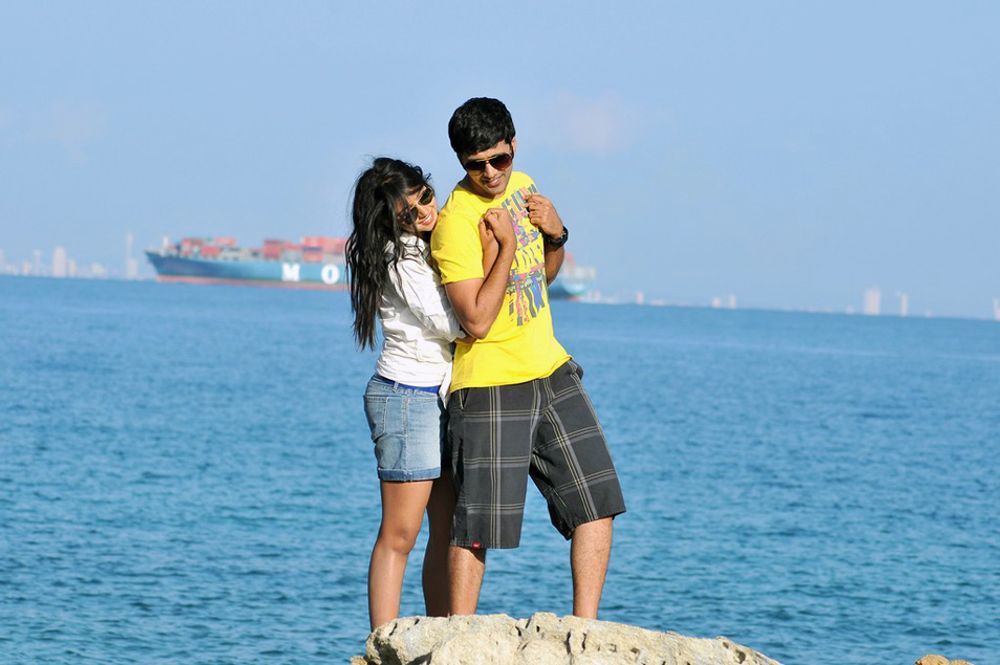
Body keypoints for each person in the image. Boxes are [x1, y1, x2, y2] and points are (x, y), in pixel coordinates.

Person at [430, 98, 627, 618]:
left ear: (514, 146)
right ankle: (460, 636)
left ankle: (586, 631)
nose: (490, 173)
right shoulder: (455, 223)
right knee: (478, 529)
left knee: (597, 504)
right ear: (461, 161)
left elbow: (543, 277)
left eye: (499, 159)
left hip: (552, 368)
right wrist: (504, 247)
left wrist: (556, 234)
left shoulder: (525, 186)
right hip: (489, 383)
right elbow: (476, 320)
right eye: (476, 164)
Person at [346, 157, 515, 630]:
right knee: (400, 535)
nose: (425, 211)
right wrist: (495, 252)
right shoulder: (398, 259)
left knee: (445, 530)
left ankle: (438, 635)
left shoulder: (424, 246)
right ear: (389, 221)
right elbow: (458, 324)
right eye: (408, 213)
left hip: (438, 395)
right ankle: (382, 642)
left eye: (424, 195)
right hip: (407, 398)